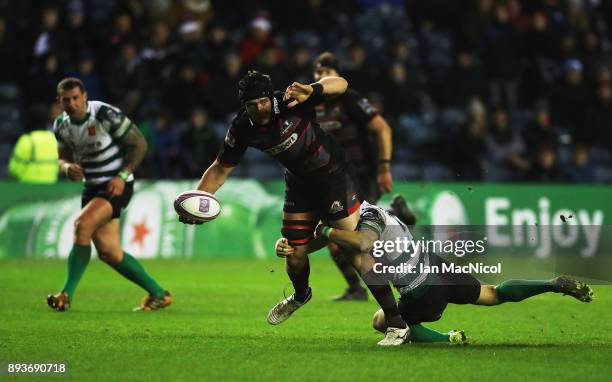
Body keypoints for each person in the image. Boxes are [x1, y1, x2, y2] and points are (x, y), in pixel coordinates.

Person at [179, 71, 407, 331]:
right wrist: (199, 199)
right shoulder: (242, 127)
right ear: (244, 106)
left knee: (352, 247)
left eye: (263, 101)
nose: (260, 108)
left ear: (270, 97)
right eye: (252, 105)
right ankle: (300, 296)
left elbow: (342, 85)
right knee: (293, 253)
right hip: (299, 184)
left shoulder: (291, 99)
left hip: (332, 174)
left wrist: (313, 89)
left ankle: (396, 322)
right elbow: (220, 170)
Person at [275, 201, 594, 345]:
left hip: (422, 290)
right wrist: (298, 247)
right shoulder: (372, 209)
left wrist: (323, 235)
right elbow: (334, 234)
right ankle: (552, 284)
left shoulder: (363, 226)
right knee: (493, 294)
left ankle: (448, 339)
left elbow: (356, 242)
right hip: (438, 267)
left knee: (379, 321)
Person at [47, 77, 171, 312]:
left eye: (76, 98)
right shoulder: (60, 125)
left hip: (117, 185)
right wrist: (66, 168)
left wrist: (122, 176)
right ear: (60, 102)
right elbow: (63, 157)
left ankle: (66, 294)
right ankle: (158, 294)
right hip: (92, 187)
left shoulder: (104, 114)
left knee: (82, 225)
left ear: (85, 96)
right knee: (109, 252)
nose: (72, 103)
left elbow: (139, 144)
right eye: (66, 100)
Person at [312, 51, 414, 301]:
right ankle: (396, 214)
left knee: (352, 236)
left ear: (337, 76)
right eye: (318, 73)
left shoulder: (350, 99)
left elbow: (383, 129)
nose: (322, 77)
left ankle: (361, 289)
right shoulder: (311, 105)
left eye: (327, 72)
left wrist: (384, 168)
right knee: (340, 237)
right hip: (333, 180)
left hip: (362, 176)